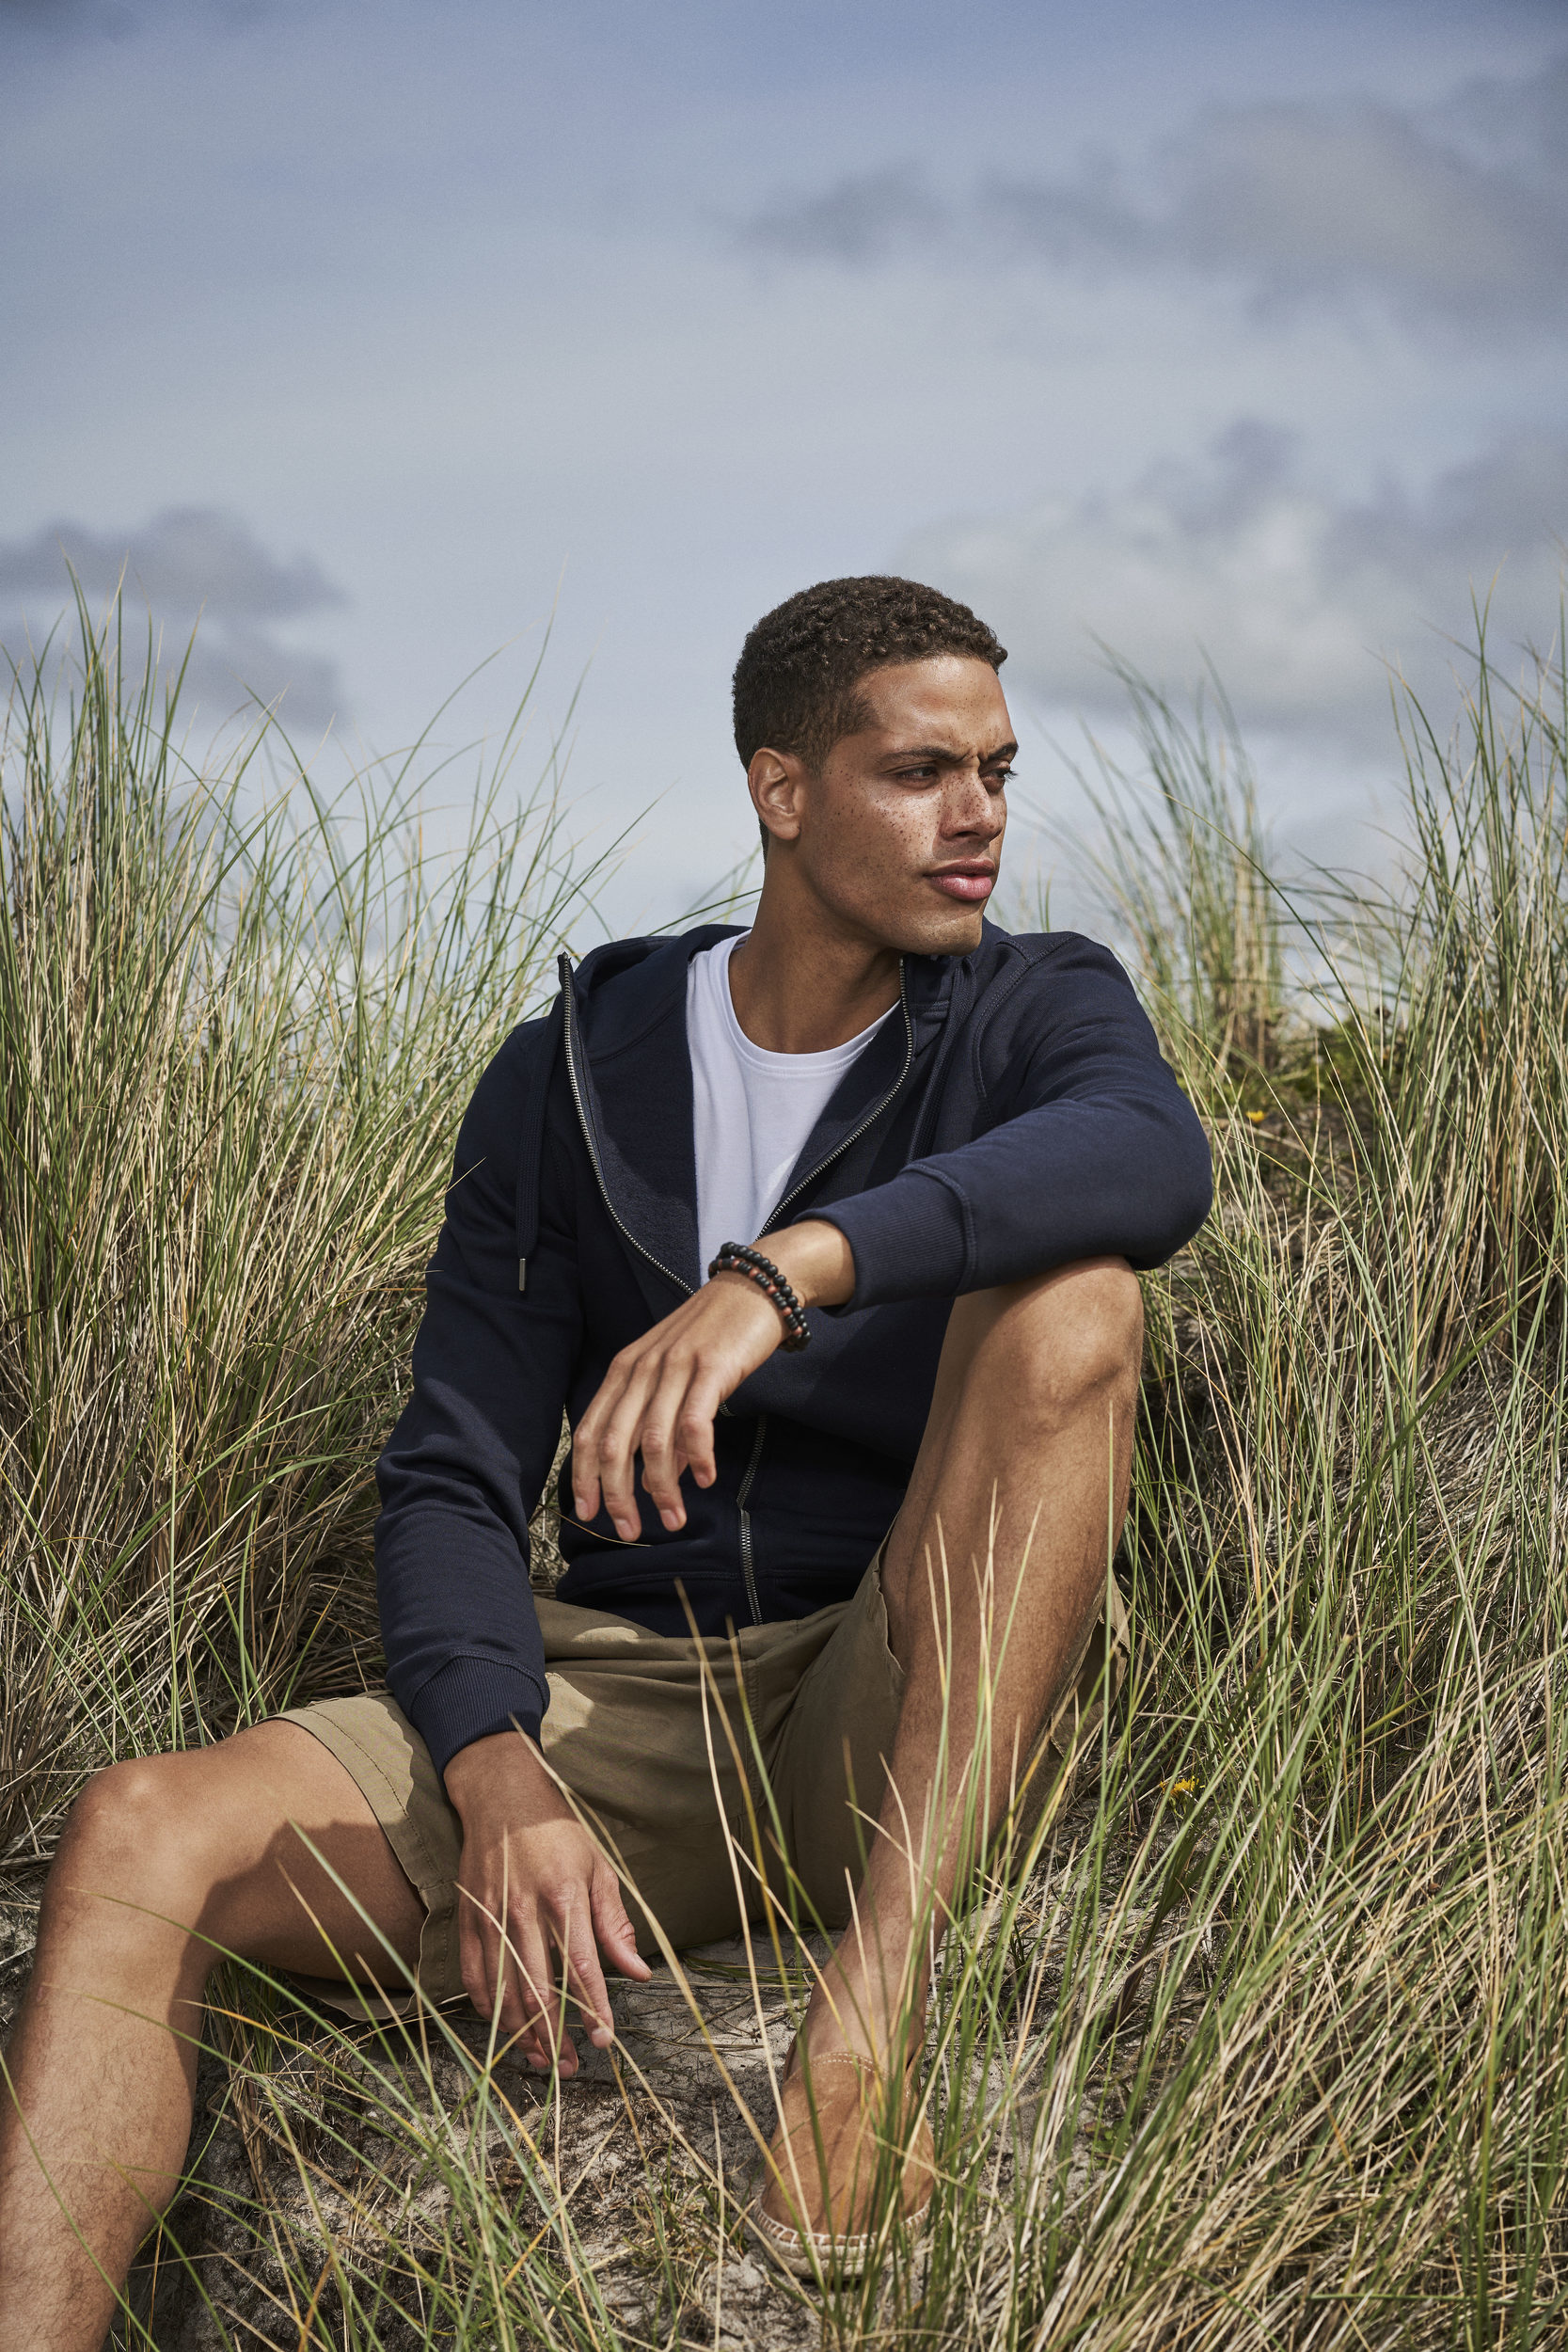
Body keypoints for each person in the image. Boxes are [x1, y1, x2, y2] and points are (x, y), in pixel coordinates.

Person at [0, 575, 1211, 2332]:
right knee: (136, 1834)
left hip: (892, 1691)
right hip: (622, 1706)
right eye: (921, 773)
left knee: (1078, 1307)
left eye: (998, 773)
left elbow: (1151, 1158)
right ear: (780, 787)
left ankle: (873, 2014)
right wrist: (497, 1770)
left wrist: (783, 1275)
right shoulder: (572, 1072)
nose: (980, 820)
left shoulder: (1033, 1006)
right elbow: (454, 1468)